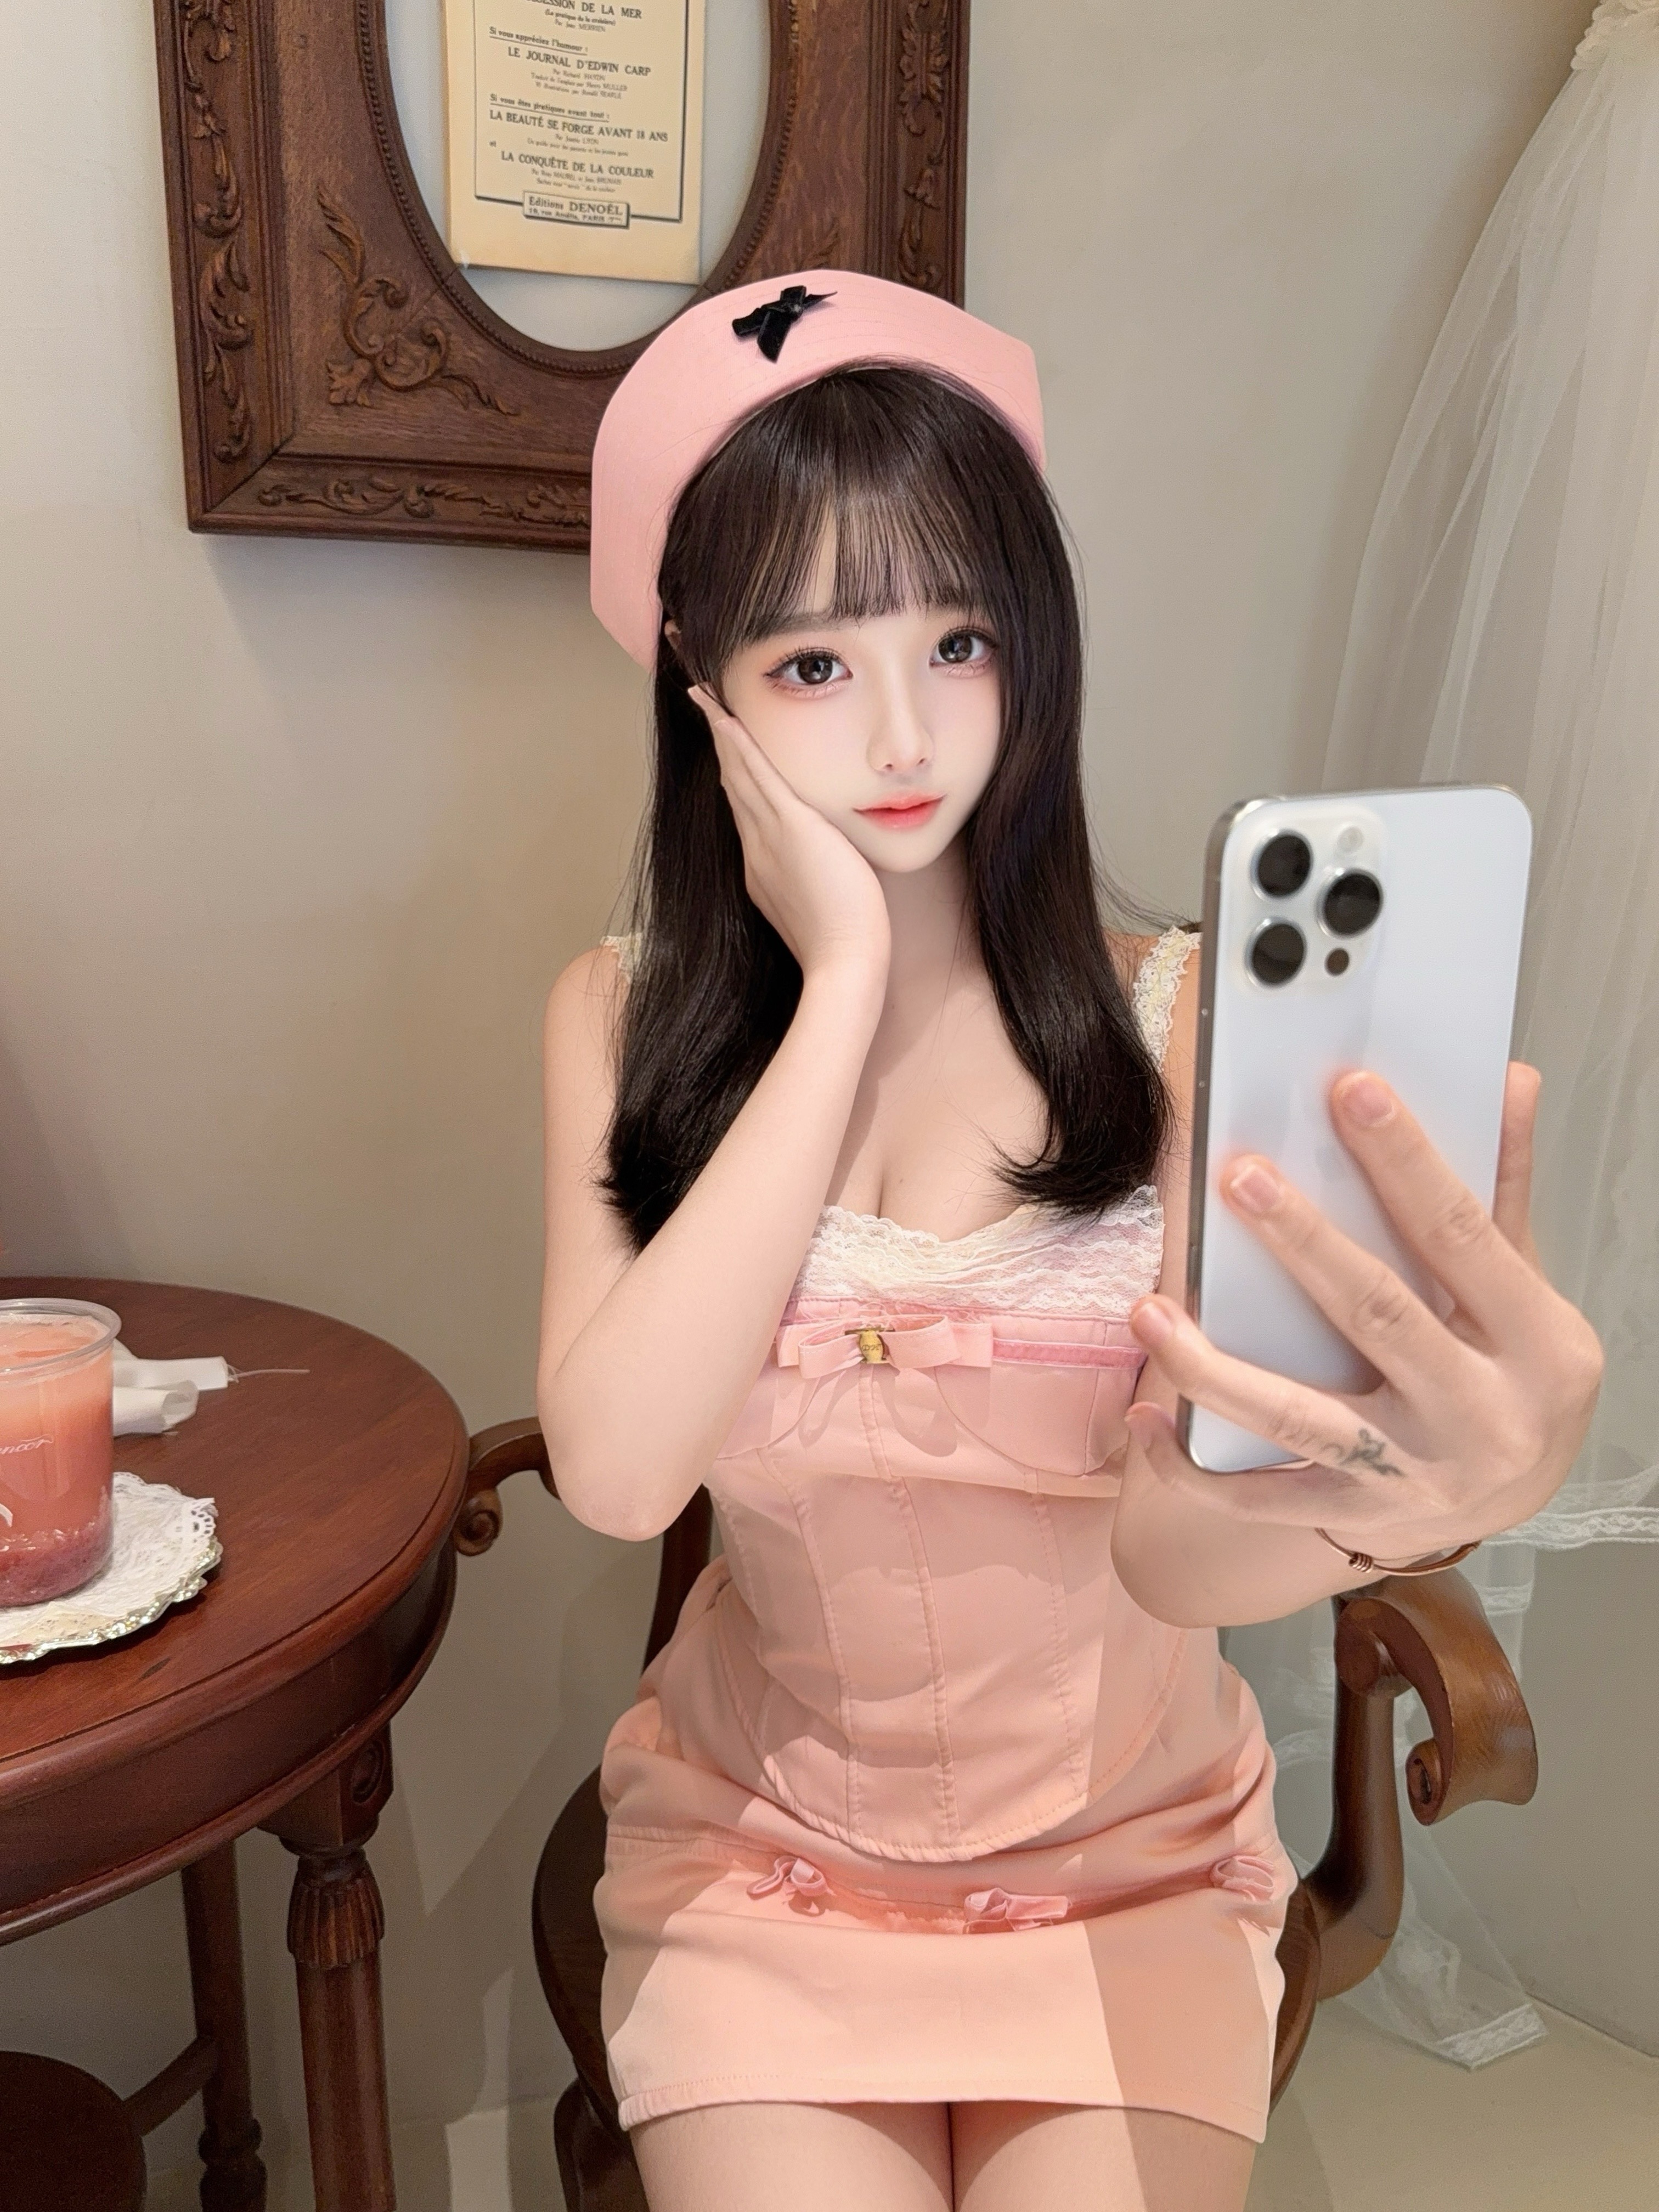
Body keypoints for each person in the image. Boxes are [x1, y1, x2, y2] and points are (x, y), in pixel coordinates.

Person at [537, 272, 1601, 2212]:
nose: (905, 731)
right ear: (700, 680)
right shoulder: (618, 1017)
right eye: (812, 663)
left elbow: (1175, 1547)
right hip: (764, 1861)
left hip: (1133, 1870)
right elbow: (618, 1474)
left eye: (958, 639)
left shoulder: (1184, 1024)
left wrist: (1399, 1493)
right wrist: (839, 986)